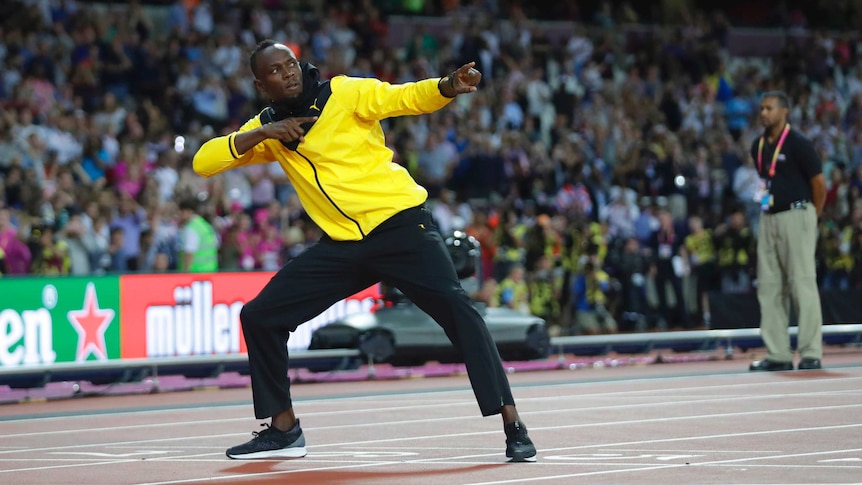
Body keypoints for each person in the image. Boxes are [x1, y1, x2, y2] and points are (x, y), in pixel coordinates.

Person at [192, 40, 536, 462]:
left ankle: (512, 423)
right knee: (260, 316)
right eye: (277, 71)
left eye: (291, 64)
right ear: (262, 84)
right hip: (344, 245)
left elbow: (404, 97)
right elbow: (203, 163)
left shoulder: (344, 93)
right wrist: (263, 133)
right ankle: (283, 429)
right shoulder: (270, 129)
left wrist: (446, 85)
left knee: (459, 312)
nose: (289, 73)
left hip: (401, 227)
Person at [749, 91, 826, 372]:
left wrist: (810, 217)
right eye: (761, 108)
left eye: (769, 108)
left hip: (797, 214)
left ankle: (810, 353)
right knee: (769, 286)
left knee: (801, 282)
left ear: (785, 111)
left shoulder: (799, 144)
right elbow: (764, 181)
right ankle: (778, 353)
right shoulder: (757, 146)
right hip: (768, 217)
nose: (764, 113)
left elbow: (819, 184)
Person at [178, 199, 219, 272]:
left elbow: (189, 252)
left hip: (195, 273)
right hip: (210, 271)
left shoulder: (191, 228)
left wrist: (185, 272)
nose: (180, 215)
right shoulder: (205, 225)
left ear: (189, 211)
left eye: (181, 212)